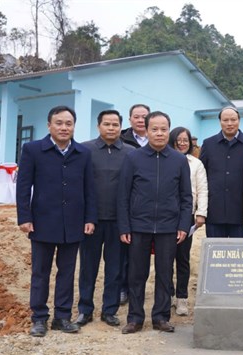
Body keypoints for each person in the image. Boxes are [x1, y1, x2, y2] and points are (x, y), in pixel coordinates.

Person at [16, 105, 97, 337]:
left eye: (68, 123)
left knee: (67, 272)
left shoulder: (83, 153)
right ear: (49, 125)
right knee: (41, 272)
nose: (64, 127)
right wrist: (24, 217)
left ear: (74, 126)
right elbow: (23, 186)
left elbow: (89, 189)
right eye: (59, 123)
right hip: (42, 222)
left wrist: (90, 217)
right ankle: (39, 318)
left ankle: (62, 317)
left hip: (73, 223)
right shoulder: (32, 150)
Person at [117, 111, 192, 334]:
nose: (159, 133)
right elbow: (123, 195)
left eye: (163, 129)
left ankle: (160, 317)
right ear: (146, 130)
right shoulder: (133, 158)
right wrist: (124, 226)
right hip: (139, 225)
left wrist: (183, 225)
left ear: (169, 131)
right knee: (137, 274)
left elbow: (186, 197)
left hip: (169, 227)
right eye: (154, 129)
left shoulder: (179, 160)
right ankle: (135, 318)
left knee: (164, 273)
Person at [76, 110, 135, 328]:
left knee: (115, 268)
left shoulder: (130, 153)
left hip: (119, 221)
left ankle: (109, 310)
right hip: (91, 220)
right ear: (98, 126)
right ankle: (85, 309)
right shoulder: (84, 150)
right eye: (106, 124)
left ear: (121, 127)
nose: (111, 128)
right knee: (87, 267)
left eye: (115, 124)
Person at [199, 106, 243, 238]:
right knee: (215, 255)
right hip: (215, 211)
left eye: (233, 119)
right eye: (225, 120)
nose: (230, 123)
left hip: (240, 213)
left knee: (238, 255)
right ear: (220, 121)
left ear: (239, 120)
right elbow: (201, 176)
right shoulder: (208, 144)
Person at [168, 127, 208, 316]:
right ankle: (166, 295)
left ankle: (182, 298)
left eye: (186, 140)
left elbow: (203, 189)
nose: (182, 143)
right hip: (165, 217)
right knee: (165, 258)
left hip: (187, 216)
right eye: (179, 139)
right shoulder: (164, 158)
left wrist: (201, 213)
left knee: (183, 258)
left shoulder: (196, 163)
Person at [118, 103, 151, 305]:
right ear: (129, 119)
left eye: (143, 116)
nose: (140, 120)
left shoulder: (159, 139)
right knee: (124, 252)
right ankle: (122, 287)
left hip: (148, 207)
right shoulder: (121, 141)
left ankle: (137, 290)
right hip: (128, 203)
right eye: (136, 117)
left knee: (142, 255)